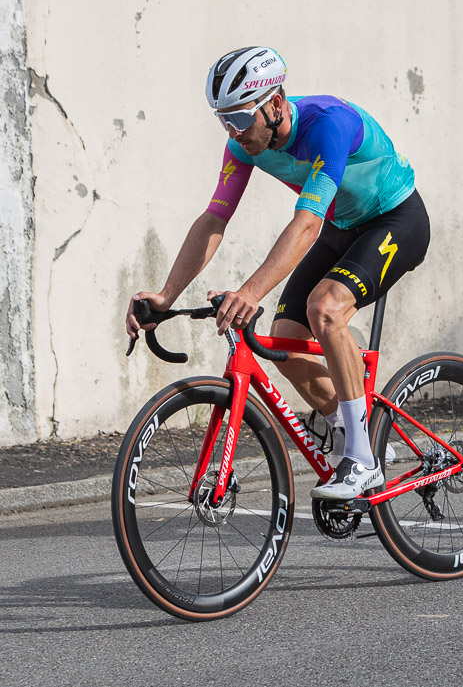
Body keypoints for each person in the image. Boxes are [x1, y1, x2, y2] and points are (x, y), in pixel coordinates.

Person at [125, 46, 430, 500]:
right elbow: (214, 219)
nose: (233, 131)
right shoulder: (243, 145)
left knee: (325, 309)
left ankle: (364, 462)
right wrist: (167, 295)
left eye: (241, 118)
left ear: (273, 102)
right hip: (342, 225)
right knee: (286, 337)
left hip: (395, 219)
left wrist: (250, 290)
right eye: (223, 120)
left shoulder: (327, 125)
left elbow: (307, 224)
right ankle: (350, 435)